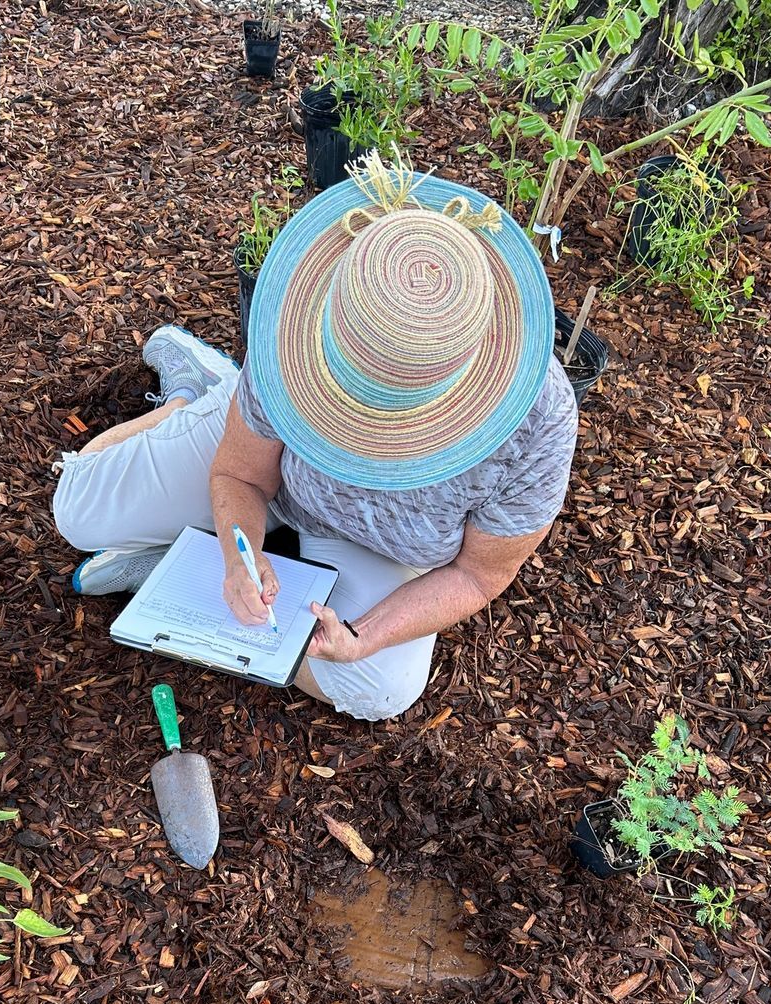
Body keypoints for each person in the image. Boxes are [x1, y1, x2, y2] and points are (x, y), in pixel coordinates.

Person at [51, 155, 578, 722]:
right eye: (343, 407)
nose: (361, 448)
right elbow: (241, 474)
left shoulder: (537, 424)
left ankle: (168, 570)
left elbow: (479, 575)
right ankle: (198, 393)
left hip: (375, 546)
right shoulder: (301, 326)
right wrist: (241, 553)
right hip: (275, 479)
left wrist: (364, 635)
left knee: (377, 688)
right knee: (77, 513)